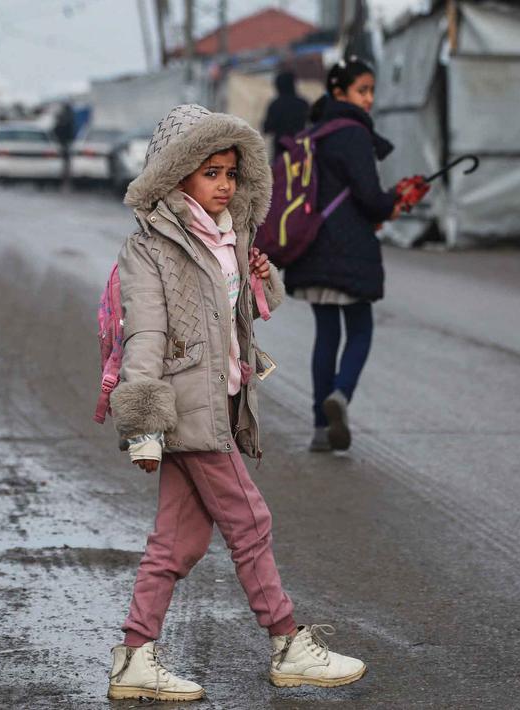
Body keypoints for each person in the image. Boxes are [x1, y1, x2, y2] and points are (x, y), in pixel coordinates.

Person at [107, 104, 367, 702]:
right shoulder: (151, 250)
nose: (224, 185)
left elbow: (240, 314)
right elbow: (143, 335)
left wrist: (258, 275)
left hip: (221, 401)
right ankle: (287, 643)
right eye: (210, 173)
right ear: (177, 176)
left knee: (178, 543)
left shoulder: (229, 236)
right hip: (186, 411)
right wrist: (144, 426)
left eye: (230, 172)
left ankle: (135, 656)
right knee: (251, 522)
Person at [283, 57, 411, 453]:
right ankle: (341, 394)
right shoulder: (353, 134)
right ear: (340, 93)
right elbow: (371, 200)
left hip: (309, 249)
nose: (369, 99)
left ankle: (321, 430)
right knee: (360, 329)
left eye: (372, 90)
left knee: (326, 335)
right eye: (362, 90)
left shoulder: (314, 133)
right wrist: (398, 199)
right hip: (347, 251)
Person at [262, 70, 310, 157]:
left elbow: (267, 128)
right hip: (300, 149)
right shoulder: (303, 103)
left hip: (281, 152)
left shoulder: (275, 105)